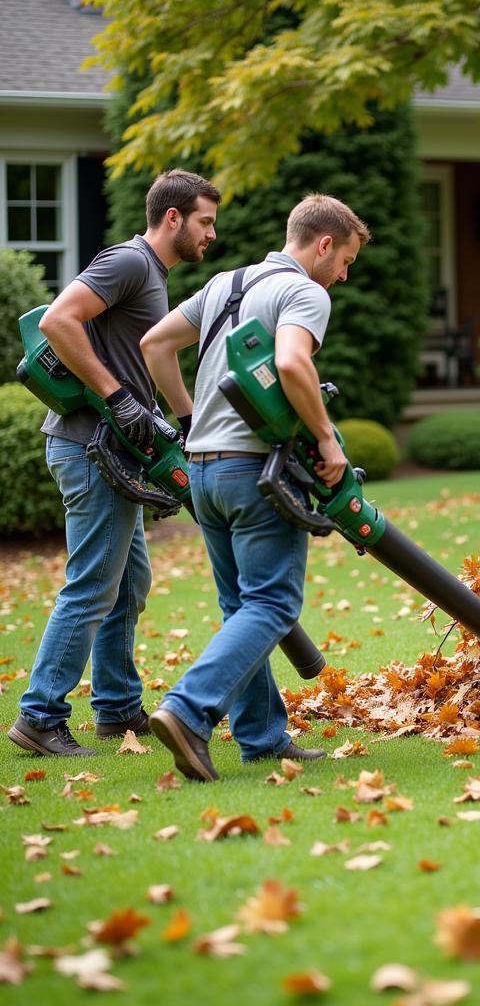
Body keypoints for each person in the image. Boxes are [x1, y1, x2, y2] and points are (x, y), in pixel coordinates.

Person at [139, 193, 369, 781]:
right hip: (257, 473)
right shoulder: (304, 292)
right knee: (272, 603)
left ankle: (262, 738)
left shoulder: (226, 283)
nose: (343, 275)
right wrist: (328, 440)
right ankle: (189, 712)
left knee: (242, 605)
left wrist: (190, 420)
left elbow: (155, 345)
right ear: (323, 245)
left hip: (205, 471)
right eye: (344, 260)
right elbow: (293, 364)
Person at [9, 170, 221, 758]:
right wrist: (116, 396)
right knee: (94, 584)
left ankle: (117, 707)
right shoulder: (129, 261)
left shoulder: (151, 275)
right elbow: (57, 320)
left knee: (129, 582)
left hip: (116, 453)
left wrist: (183, 419)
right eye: (205, 221)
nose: (211, 235)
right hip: (89, 448)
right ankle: (40, 715)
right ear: (173, 217)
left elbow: (143, 357)